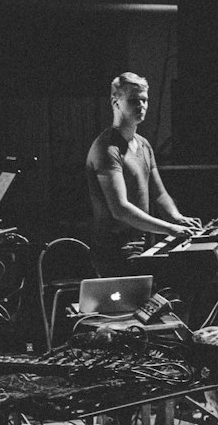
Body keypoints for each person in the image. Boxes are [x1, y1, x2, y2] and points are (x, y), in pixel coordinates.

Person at [85, 72, 201, 275]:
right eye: (133, 100)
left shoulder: (144, 145)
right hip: (115, 252)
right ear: (116, 102)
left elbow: (159, 194)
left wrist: (177, 217)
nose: (141, 105)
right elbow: (119, 208)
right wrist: (170, 228)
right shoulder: (107, 148)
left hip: (141, 244)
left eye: (144, 100)